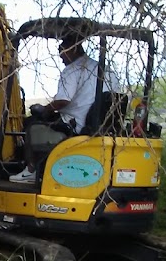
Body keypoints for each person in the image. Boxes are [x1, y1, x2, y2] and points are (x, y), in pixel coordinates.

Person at [9, 35, 121, 183]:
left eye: (62, 54)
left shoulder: (72, 70)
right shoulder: (107, 71)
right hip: (101, 125)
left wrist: (45, 109)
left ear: (73, 49)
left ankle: (31, 170)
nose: (62, 59)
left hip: (76, 125)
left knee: (31, 122)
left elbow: (63, 101)